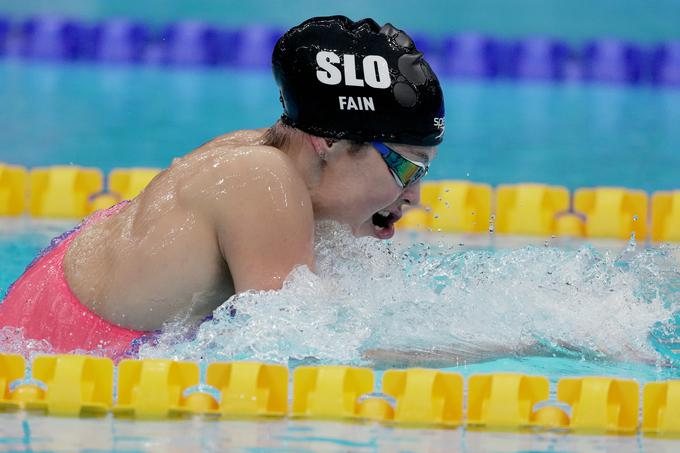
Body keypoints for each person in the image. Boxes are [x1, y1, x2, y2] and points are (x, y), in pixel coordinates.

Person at [0, 16, 445, 358]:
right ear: (329, 140)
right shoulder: (262, 181)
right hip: (53, 367)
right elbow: (303, 348)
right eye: (407, 169)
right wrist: (487, 347)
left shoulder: (263, 152)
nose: (415, 196)